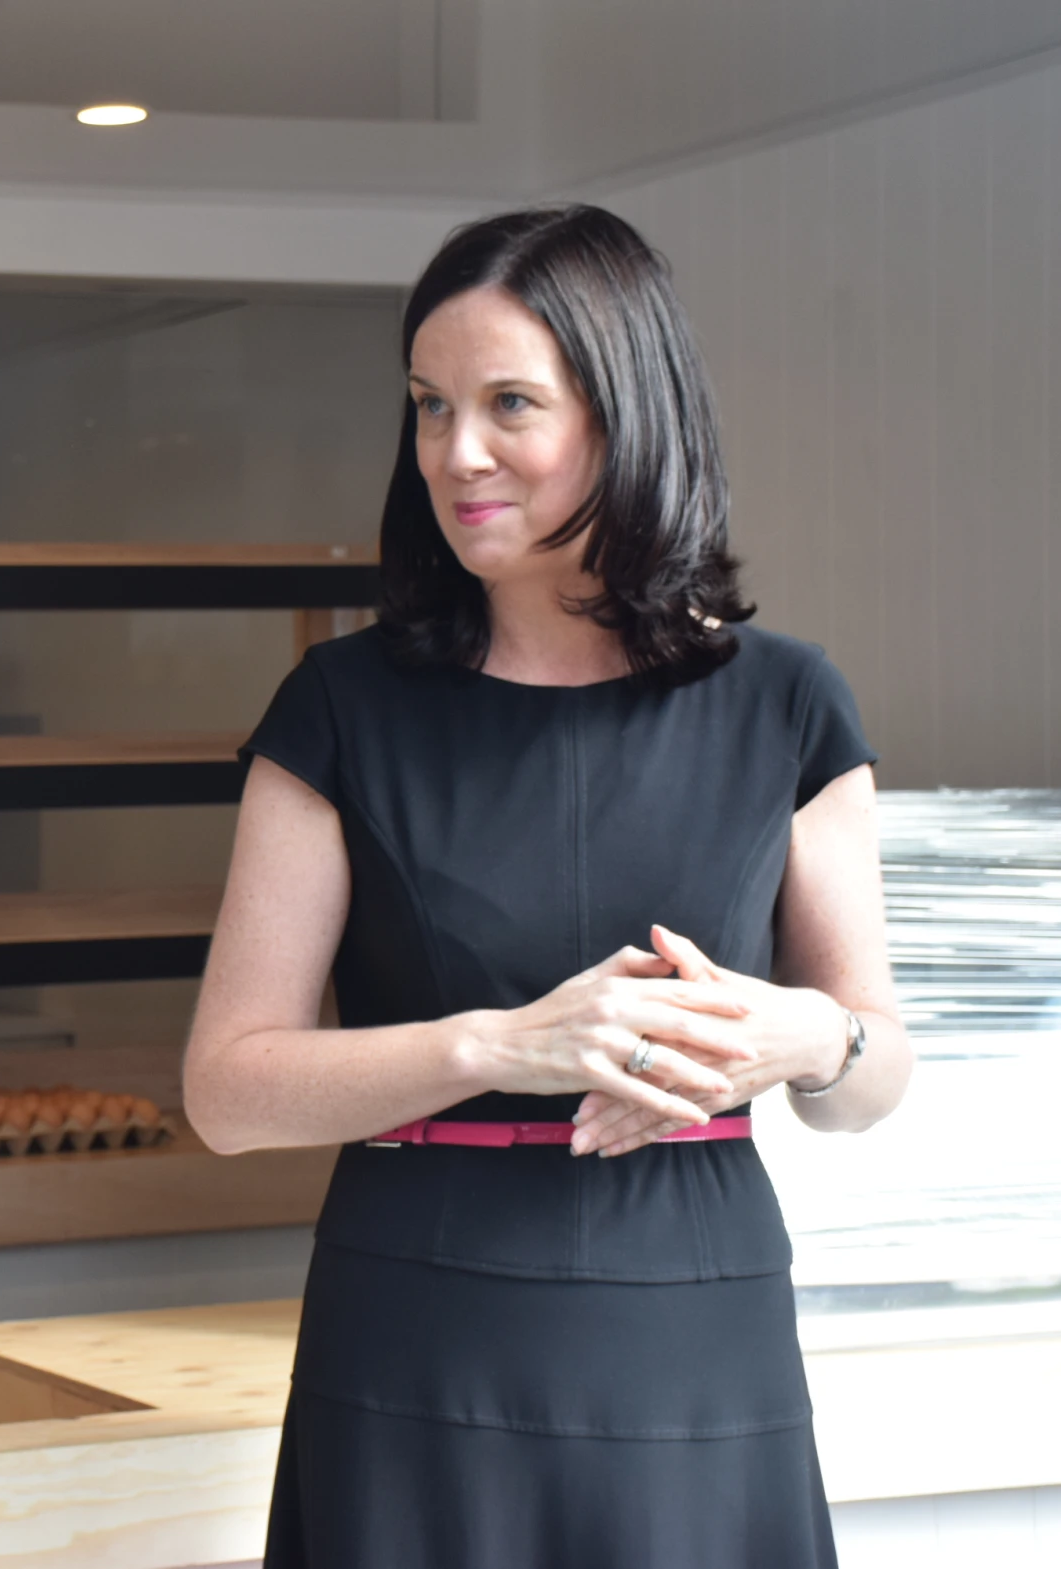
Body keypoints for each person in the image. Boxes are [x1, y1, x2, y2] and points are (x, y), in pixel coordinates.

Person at [184, 206, 913, 1567]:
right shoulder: (338, 708)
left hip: (694, 1323)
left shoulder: (788, 704)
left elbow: (871, 1073)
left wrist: (803, 1037)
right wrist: (499, 1045)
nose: (452, 452)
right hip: (415, 1326)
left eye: (505, 403)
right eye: (425, 405)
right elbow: (224, 1092)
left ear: (620, 411)